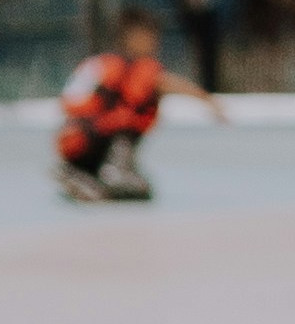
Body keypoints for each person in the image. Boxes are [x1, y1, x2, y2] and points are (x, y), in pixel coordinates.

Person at [54, 11, 225, 202]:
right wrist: (210, 102)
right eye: (152, 37)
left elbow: (71, 102)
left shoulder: (98, 63)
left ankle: (82, 173)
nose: (156, 43)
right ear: (135, 36)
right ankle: (114, 174)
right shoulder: (142, 68)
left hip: (73, 140)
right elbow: (168, 83)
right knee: (141, 188)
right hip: (104, 140)